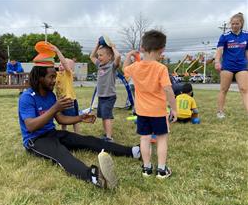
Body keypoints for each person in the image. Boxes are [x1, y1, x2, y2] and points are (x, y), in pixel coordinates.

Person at [18, 53, 141, 189]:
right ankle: (93, 176)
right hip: (35, 140)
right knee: (61, 153)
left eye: (55, 76)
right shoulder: (27, 97)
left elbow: (60, 119)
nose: (55, 80)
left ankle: (133, 151)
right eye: (51, 77)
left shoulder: (50, 95)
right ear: (40, 78)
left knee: (87, 140)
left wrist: (81, 118)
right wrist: (54, 108)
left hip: (52, 133)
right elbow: (30, 126)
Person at [123, 30, 177, 179]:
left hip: (141, 112)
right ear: (162, 50)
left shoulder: (135, 67)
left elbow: (124, 69)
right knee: (161, 139)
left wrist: (128, 56)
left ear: (142, 48)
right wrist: (174, 108)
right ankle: (161, 170)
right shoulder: (161, 68)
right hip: (158, 112)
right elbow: (168, 89)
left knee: (144, 139)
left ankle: (146, 168)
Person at [214, 12, 248, 118]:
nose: (234, 26)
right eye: (232, 24)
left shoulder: (246, 35)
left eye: (236, 24)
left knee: (244, 89)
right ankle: (220, 112)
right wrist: (217, 62)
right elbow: (219, 50)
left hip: (242, 66)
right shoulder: (225, 36)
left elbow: (247, 52)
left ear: (241, 24)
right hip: (227, 66)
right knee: (224, 89)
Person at [90, 40, 121, 142]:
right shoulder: (99, 65)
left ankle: (109, 137)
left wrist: (112, 47)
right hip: (101, 96)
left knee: (107, 116)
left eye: (101, 55)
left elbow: (118, 57)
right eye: (99, 55)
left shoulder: (112, 66)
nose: (99, 57)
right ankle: (106, 134)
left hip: (109, 96)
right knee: (103, 116)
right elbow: (91, 57)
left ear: (109, 57)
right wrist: (97, 45)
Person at [53, 46, 80, 133]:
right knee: (63, 119)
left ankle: (77, 135)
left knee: (74, 119)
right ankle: (64, 133)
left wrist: (57, 51)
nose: (61, 65)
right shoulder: (57, 74)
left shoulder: (68, 74)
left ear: (70, 68)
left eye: (63, 64)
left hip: (69, 100)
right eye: (60, 64)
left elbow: (65, 64)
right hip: (61, 100)